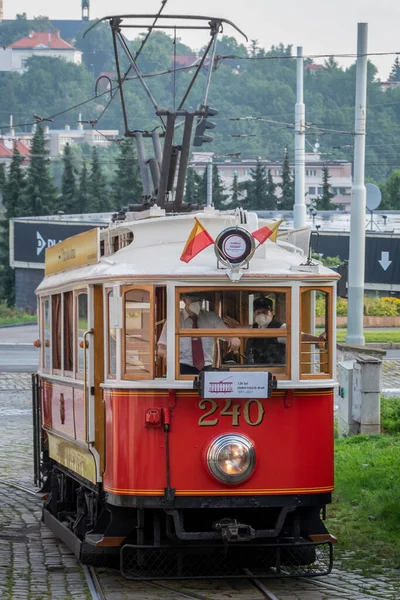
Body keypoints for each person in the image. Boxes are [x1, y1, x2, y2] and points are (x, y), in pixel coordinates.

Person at [224, 296, 327, 366]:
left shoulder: (281, 327)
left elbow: (300, 335)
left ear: (271, 313)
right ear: (254, 314)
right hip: (257, 370)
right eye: (258, 312)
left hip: (276, 371)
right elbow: (246, 328)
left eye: (264, 312)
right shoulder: (256, 326)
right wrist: (236, 326)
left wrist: (317, 339)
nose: (261, 315)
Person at [157, 292, 240, 375]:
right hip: (181, 368)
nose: (197, 303)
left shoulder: (212, 318)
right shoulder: (174, 320)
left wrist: (234, 338)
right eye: (193, 300)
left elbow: (228, 335)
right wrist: (168, 354)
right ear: (184, 300)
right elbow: (161, 349)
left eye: (200, 300)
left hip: (207, 368)